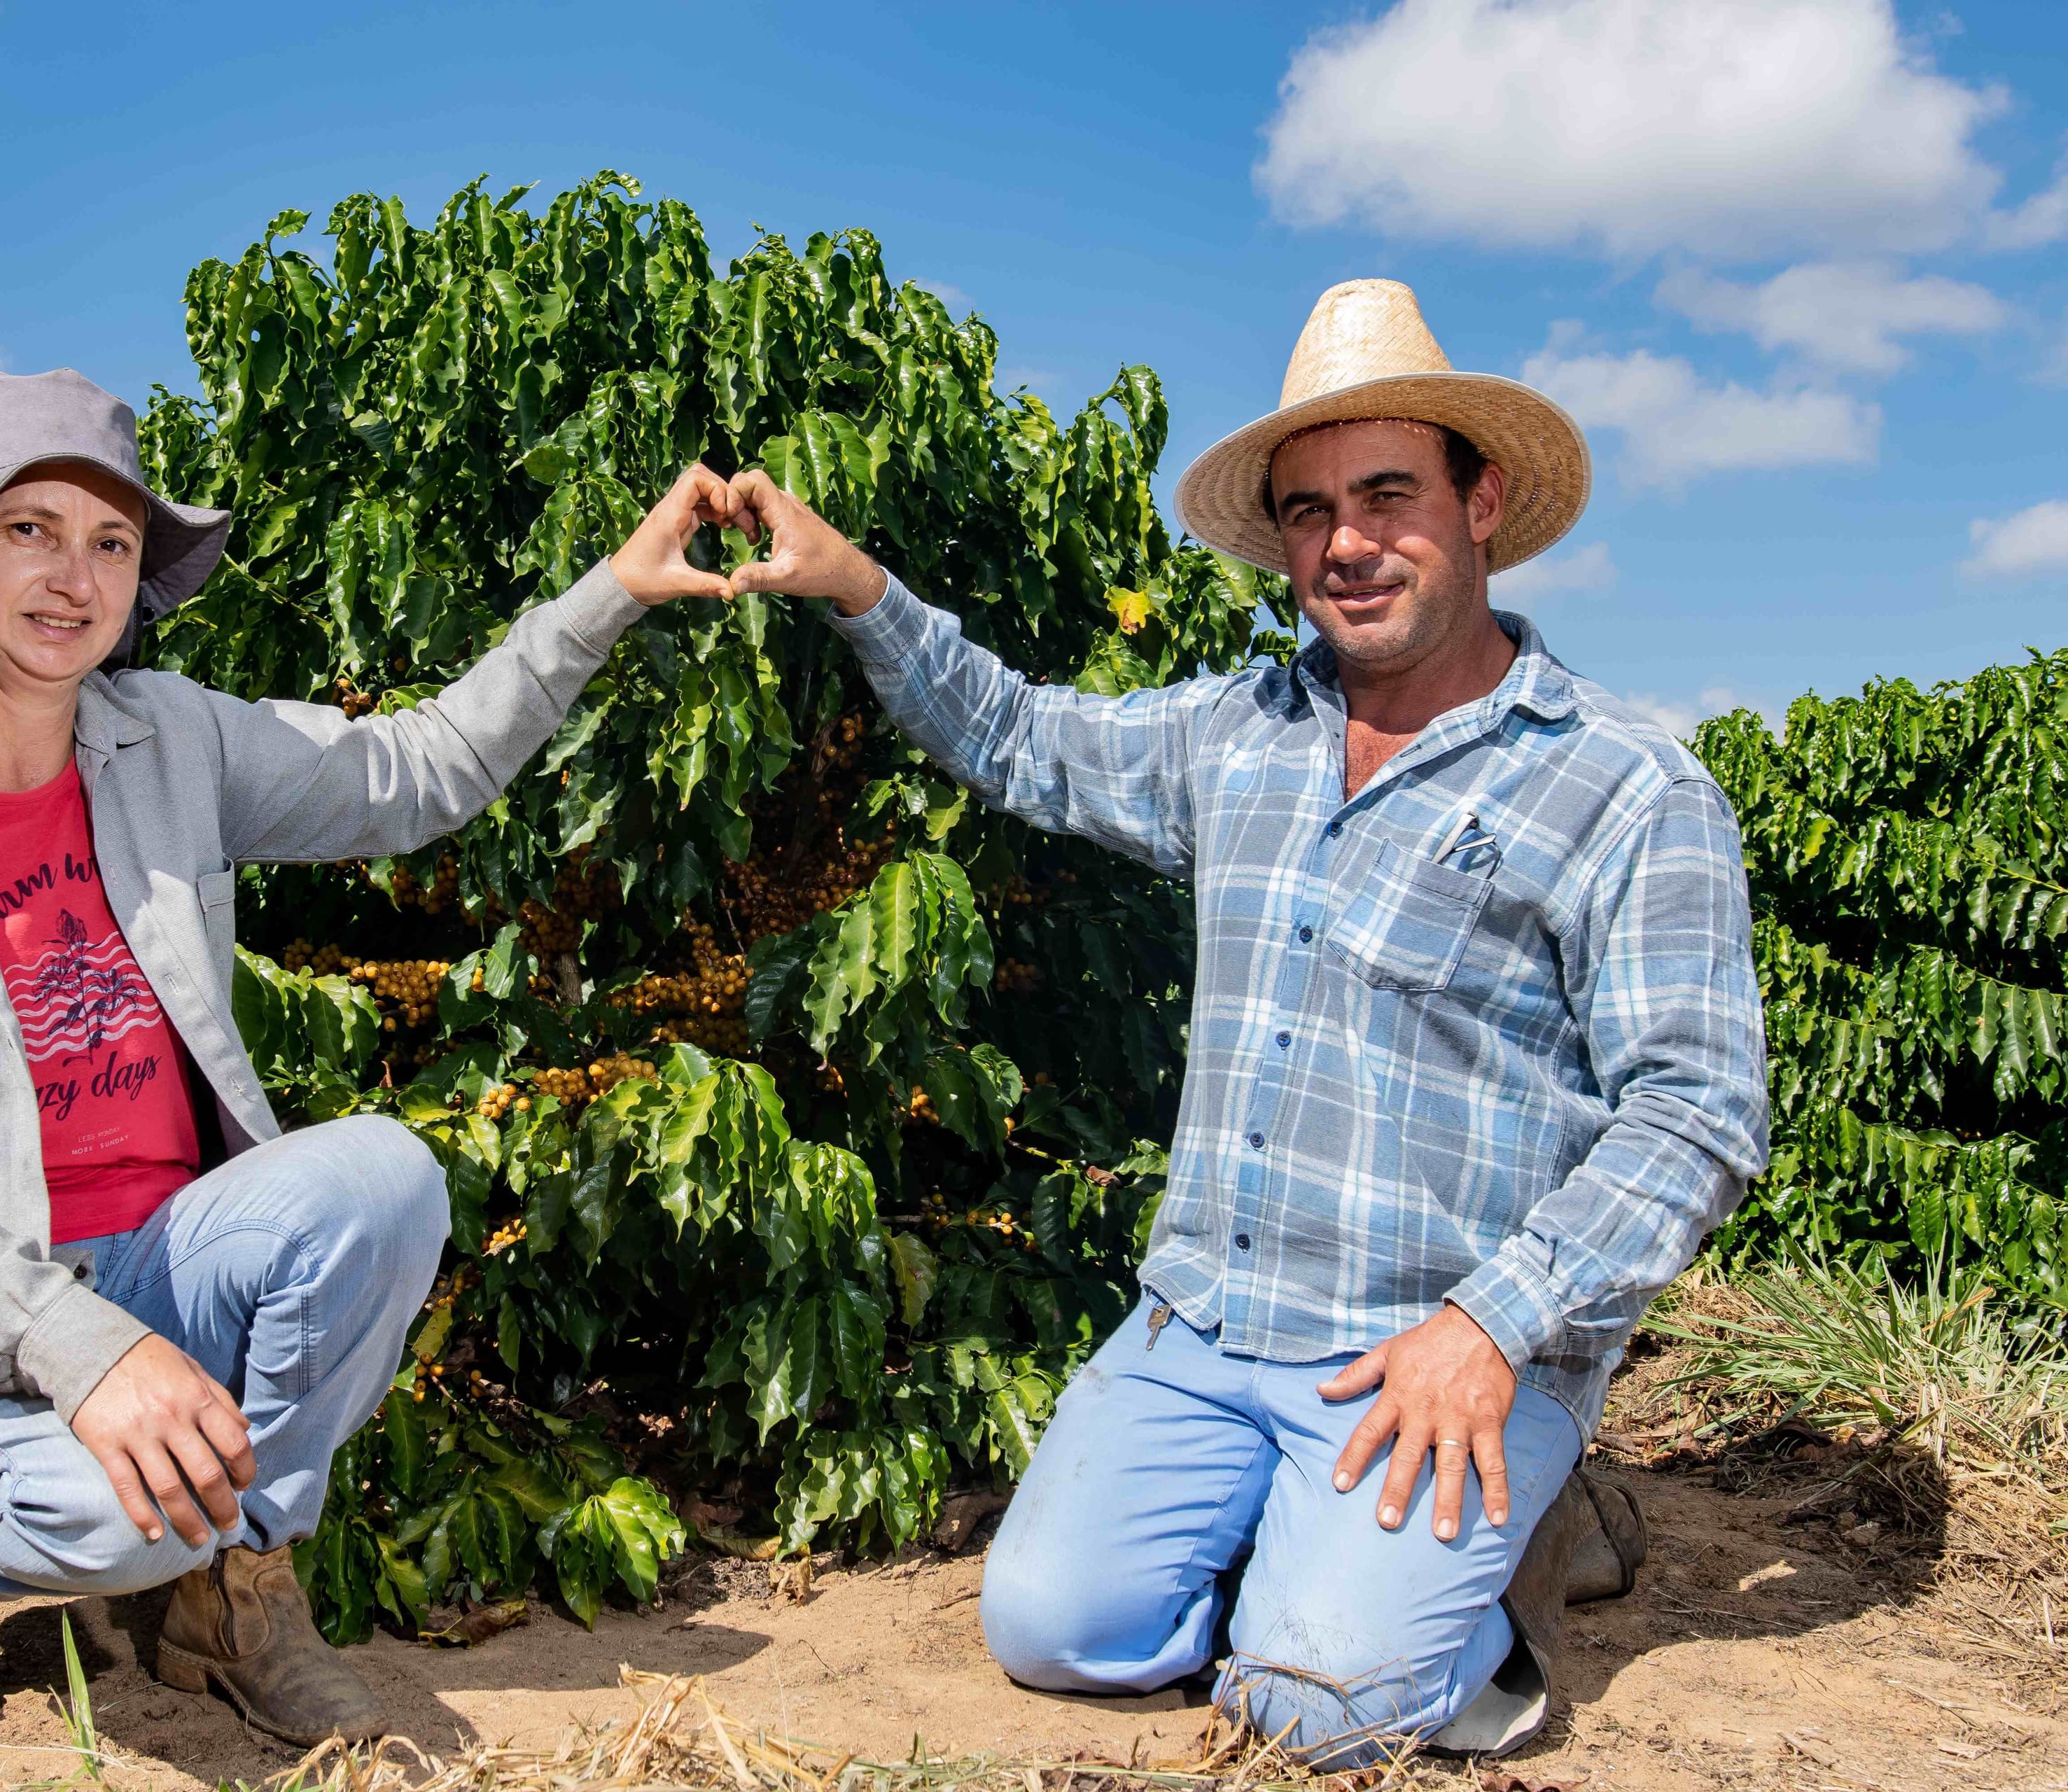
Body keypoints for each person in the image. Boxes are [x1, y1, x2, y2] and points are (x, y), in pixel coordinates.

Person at [724, 281, 1766, 1762]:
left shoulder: (1625, 787)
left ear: (1485, 502)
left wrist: (1492, 1324)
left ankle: (1513, 1536)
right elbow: (1022, 735)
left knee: (1315, 1703)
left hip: (1438, 1348)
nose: (1345, 542)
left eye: (1389, 493)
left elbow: (1697, 1109)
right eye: (1307, 509)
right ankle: (1329, 1550)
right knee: (1049, 1624)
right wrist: (857, 588)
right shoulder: (1240, 733)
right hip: (1208, 1317)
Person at [0, 369, 739, 1742]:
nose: (73, 577)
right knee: (113, 1507)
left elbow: (416, 772)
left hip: (146, 1276)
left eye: (112, 542)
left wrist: (610, 590)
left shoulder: (167, 738)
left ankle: (229, 1588)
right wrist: (68, 1341)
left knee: (383, 1180)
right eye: (30, 529)